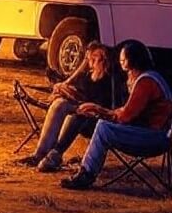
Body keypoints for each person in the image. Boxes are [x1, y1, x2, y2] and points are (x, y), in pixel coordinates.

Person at [60, 39, 172, 190]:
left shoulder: (145, 82)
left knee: (103, 128)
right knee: (103, 125)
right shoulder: (151, 76)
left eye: (123, 58)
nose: (120, 61)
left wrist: (99, 110)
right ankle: (85, 170)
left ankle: (86, 174)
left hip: (153, 138)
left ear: (132, 61)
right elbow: (129, 111)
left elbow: (125, 116)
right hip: (157, 134)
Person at [21, 41, 116, 172]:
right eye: (90, 59)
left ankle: (52, 154)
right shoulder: (90, 76)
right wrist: (66, 91)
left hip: (97, 116)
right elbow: (83, 96)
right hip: (84, 109)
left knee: (65, 109)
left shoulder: (110, 80)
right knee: (59, 103)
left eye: (95, 59)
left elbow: (105, 105)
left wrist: (83, 104)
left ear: (104, 59)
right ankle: (41, 154)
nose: (91, 63)